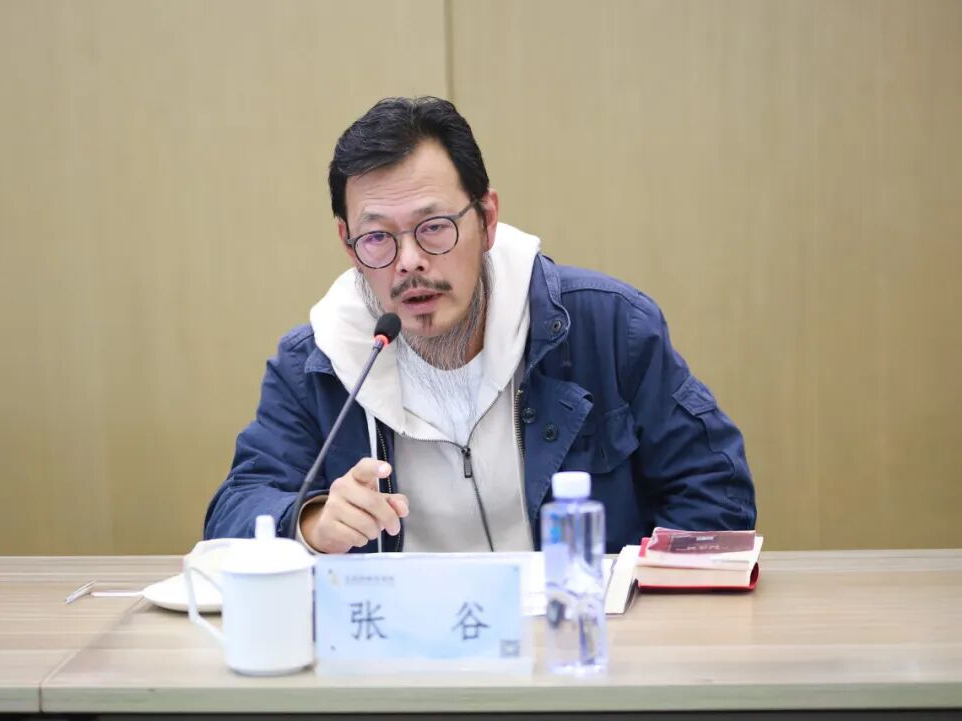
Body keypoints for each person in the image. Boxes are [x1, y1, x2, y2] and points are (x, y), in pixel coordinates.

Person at [204, 96, 755, 554]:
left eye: (434, 227)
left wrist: (636, 613)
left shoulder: (607, 328)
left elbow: (716, 497)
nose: (409, 262)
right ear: (348, 246)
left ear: (487, 220)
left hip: (575, 635)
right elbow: (235, 513)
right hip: (400, 646)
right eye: (377, 238)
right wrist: (310, 522)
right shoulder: (317, 363)